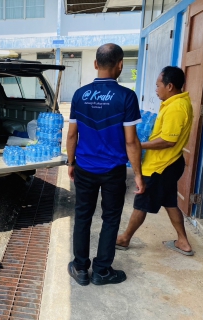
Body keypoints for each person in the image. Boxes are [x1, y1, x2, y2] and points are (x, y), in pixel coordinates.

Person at [66, 43, 145, 286]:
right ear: (120, 65)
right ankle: (101, 271)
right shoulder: (126, 97)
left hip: (85, 167)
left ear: (95, 64)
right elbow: (131, 142)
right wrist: (139, 176)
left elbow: (71, 135)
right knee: (110, 218)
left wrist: (71, 162)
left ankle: (80, 268)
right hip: (113, 171)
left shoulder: (80, 95)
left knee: (83, 216)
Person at [116, 66, 194, 256]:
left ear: (169, 86)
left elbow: (168, 140)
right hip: (170, 163)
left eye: (158, 85)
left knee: (141, 203)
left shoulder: (176, 108)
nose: (156, 89)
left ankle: (125, 238)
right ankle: (183, 242)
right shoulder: (177, 102)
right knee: (170, 202)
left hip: (161, 166)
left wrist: (138, 145)